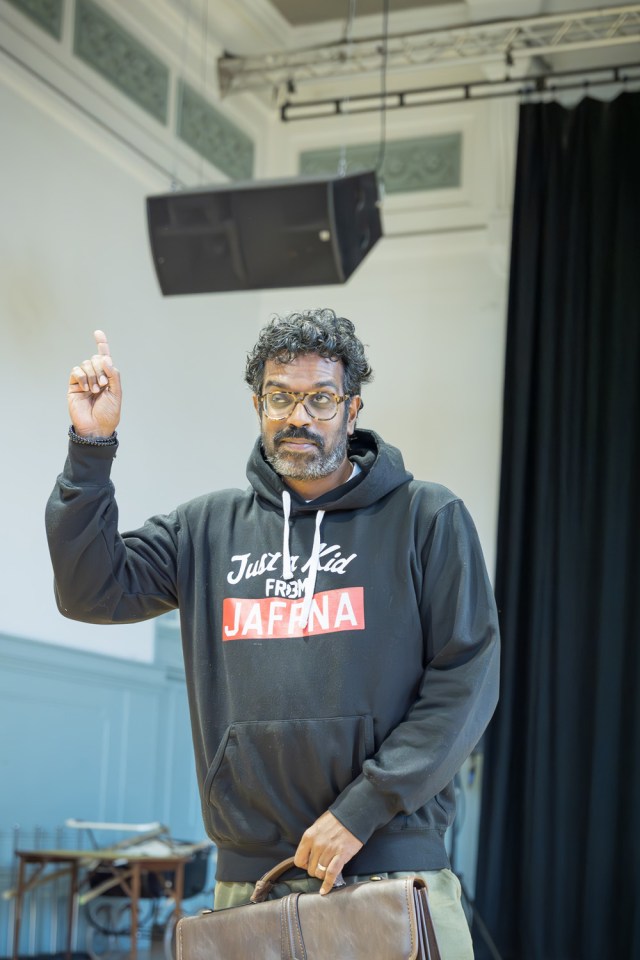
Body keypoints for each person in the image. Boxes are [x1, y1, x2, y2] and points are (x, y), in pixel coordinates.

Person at [46, 309, 499, 958]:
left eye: (321, 398)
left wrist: (363, 809)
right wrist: (90, 449)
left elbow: (467, 679)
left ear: (352, 406)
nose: (300, 416)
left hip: (391, 867)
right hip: (251, 882)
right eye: (281, 398)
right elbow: (91, 590)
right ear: (259, 404)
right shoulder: (205, 529)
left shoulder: (428, 517)